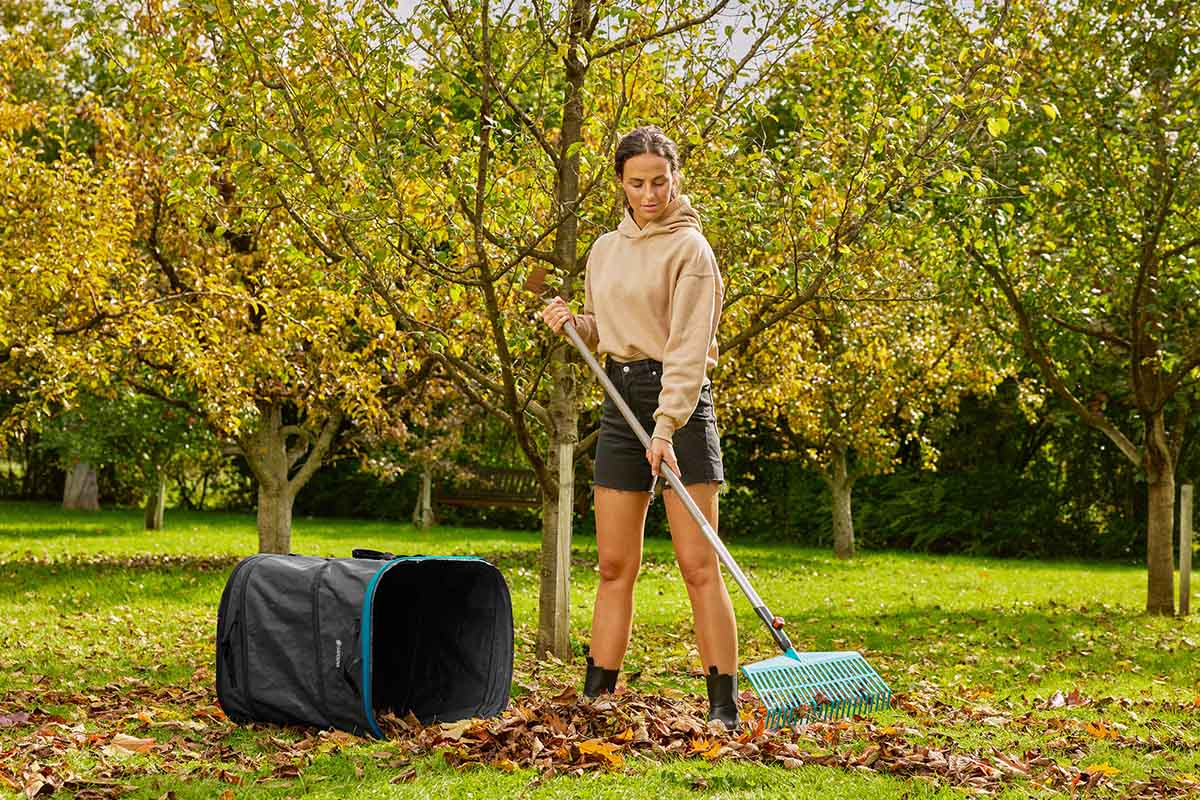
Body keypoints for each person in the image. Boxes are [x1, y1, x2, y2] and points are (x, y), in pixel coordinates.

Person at [541, 125, 738, 729]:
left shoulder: (692, 251)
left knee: (696, 564)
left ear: (675, 178)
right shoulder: (605, 248)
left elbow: (687, 348)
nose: (649, 193)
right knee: (612, 564)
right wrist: (574, 320)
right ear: (621, 184)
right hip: (620, 401)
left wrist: (667, 426)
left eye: (659, 181)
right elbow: (608, 326)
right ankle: (598, 699)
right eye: (637, 183)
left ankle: (723, 707)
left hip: (678, 404)